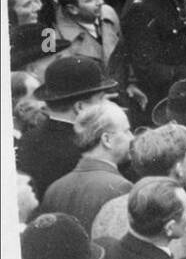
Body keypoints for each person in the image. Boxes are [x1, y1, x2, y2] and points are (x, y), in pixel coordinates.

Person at [17, 55, 119, 197]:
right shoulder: (89, 149)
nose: (106, 105)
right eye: (101, 99)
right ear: (80, 107)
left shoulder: (27, 139)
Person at [38, 100, 133, 233]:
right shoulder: (121, 187)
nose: (131, 137)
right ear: (107, 140)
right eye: (126, 131)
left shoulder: (54, 189)